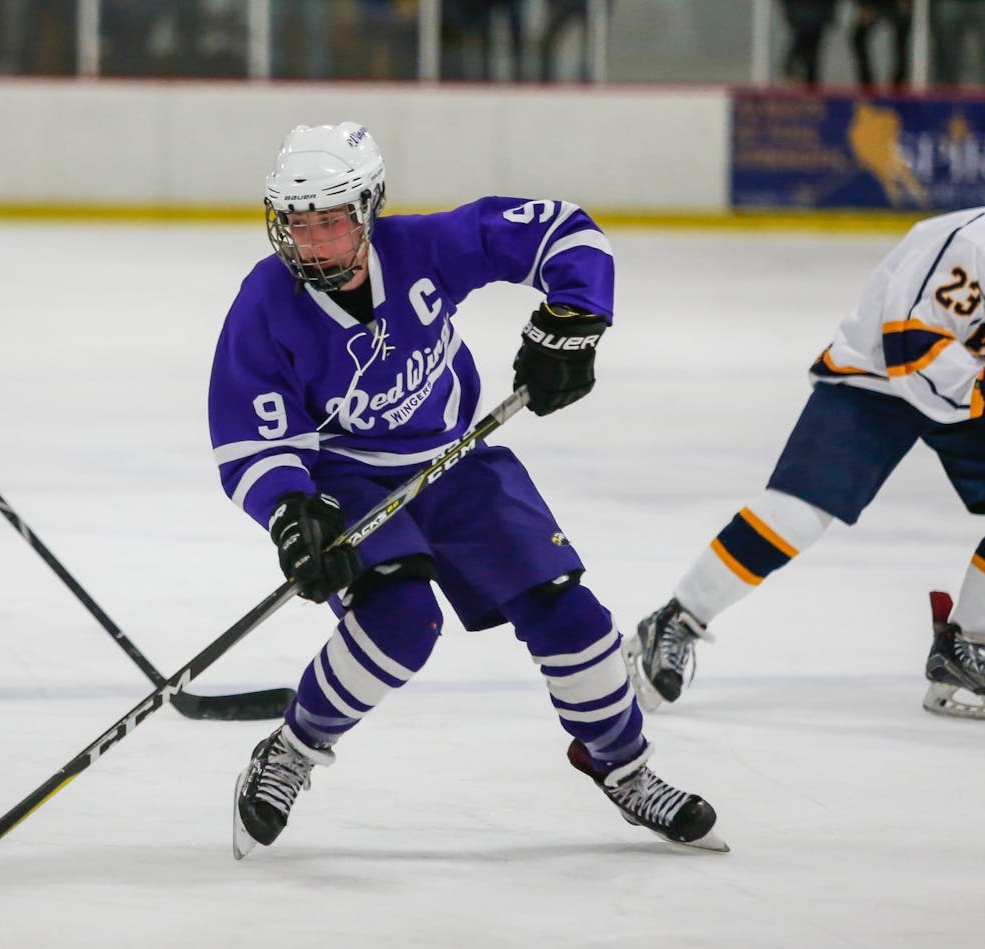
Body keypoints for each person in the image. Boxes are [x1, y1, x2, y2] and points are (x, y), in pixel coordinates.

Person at [208, 121, 726, 859]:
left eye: (330, 221)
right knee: (401, 620)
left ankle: (625, 768)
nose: (313, 242)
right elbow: (249, 435)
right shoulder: (266, 302)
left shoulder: (422, 248)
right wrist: (292, 513)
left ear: (368, 210)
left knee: (569, 614)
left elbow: (565, 232)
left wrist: (573, 320)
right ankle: (292, 748)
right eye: (298, 223)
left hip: (457, 461)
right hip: (348, 478)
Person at [630, 208, 985, 721]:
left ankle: (968, 647)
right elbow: (911, 344)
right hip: (880, 377)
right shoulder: (970, 245)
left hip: (965, 388)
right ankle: (676, 620)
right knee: (799, 512)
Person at [849, 0, 910, 91]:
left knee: (902, 36)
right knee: (858, 37)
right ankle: (867, 85)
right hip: (873, 4)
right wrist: (864, 5)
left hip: (896, 4)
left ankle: (898, 85)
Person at [779, 0, 839, 87]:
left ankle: (809, 80)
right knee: (810, 48)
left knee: (812, 50)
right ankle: (808, 79)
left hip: (816, 12)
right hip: (804, 12)